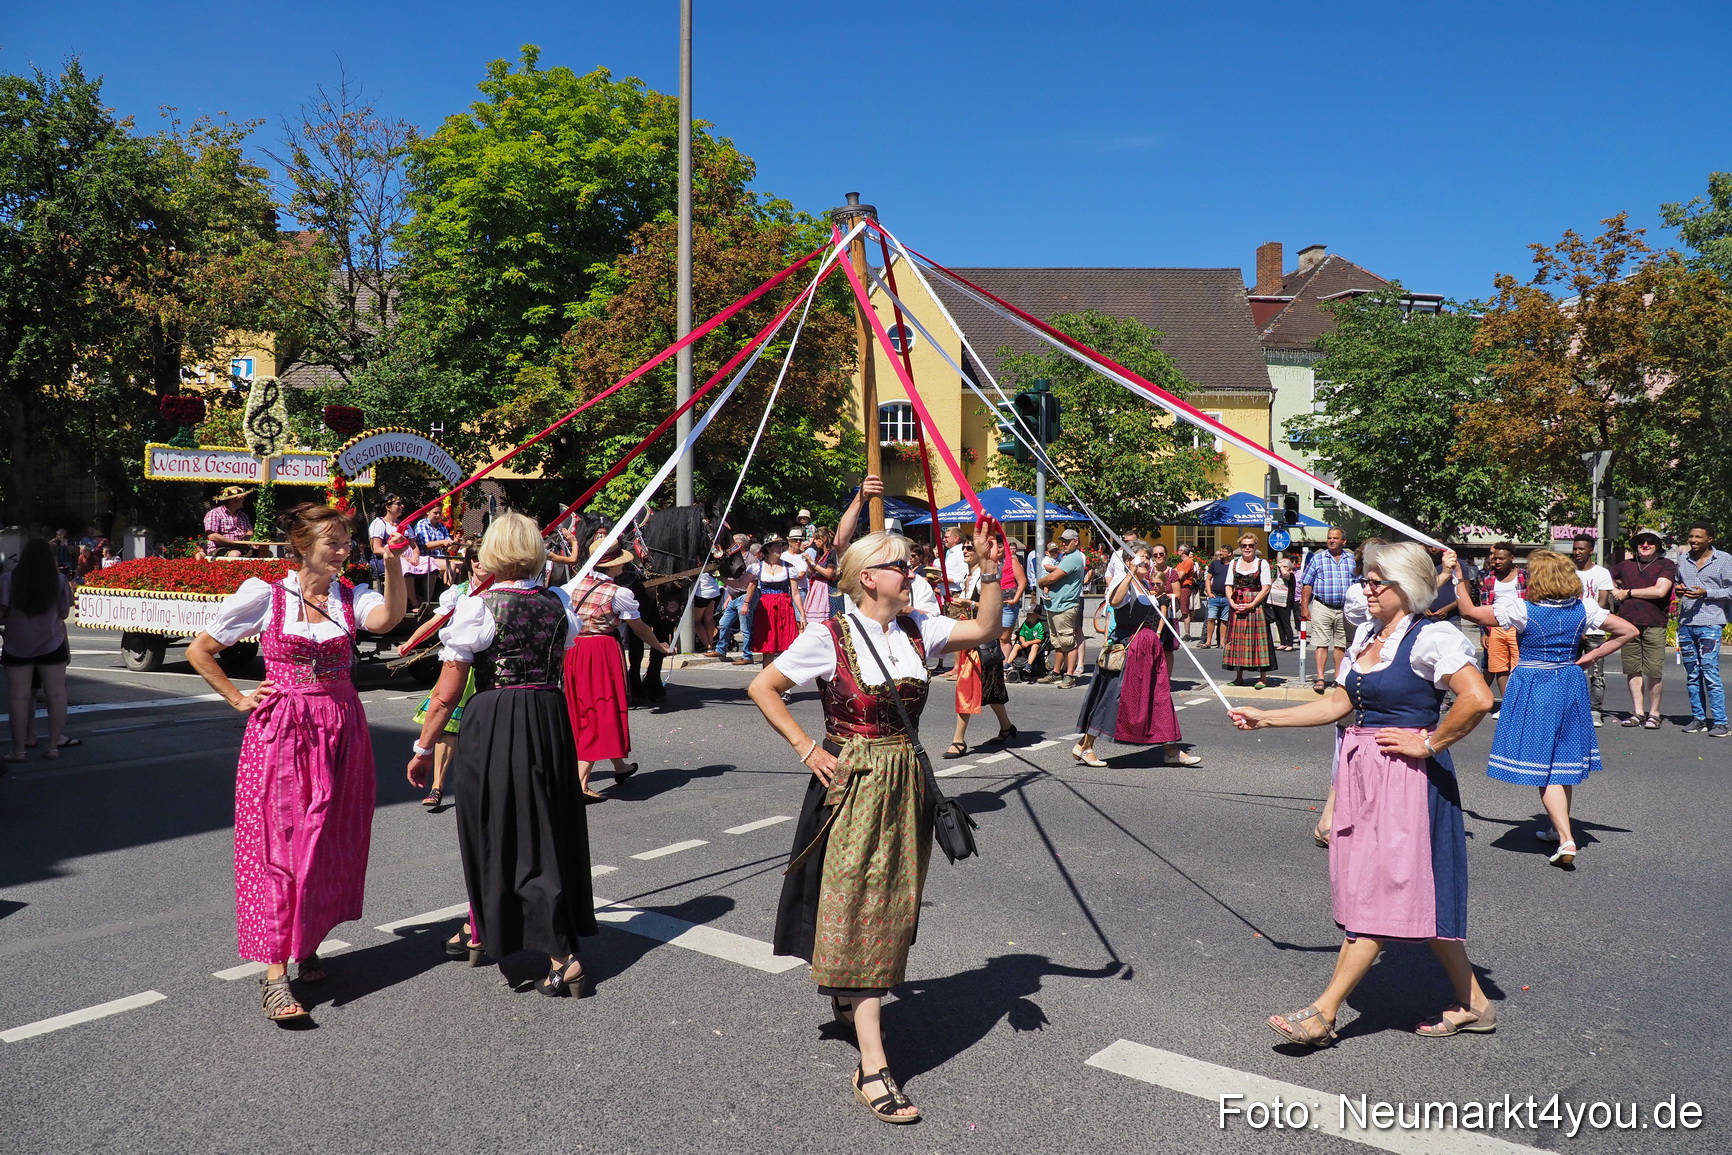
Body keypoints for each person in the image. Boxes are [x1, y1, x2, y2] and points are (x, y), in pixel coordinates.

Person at [748, 522, 1006, 1124]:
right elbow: (764, 686)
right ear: (869, 578)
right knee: (860, 909)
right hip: (856, 785)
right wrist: (807, 749)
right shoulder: (828, 635)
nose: (911, 571)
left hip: (907, 785)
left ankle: (848, 996)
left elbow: (988, 628)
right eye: (900, 564)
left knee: (894, 906)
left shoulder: (920, 628)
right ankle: (873, 1064)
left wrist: (990, 570)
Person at [1231, 542, 1496, 1046]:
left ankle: (1322, 1014)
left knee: (1379, 893)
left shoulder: (1431, 636)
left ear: (1407, 587)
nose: (1367, 589)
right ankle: (1476, 1004)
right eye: (1367, 580)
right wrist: (1266, 716)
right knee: (1422, 895)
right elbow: (1337, 703)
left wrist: (1429, 742)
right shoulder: (1369, 636)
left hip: (1408, 782)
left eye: (1378, 582)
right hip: (1364, 774)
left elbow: (1478, 698)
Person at [187, 503, 408, 1023]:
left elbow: (388, 619)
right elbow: (201, 651)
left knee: (329, 839)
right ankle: (274, 975)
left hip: (342, 725)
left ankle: (307, 944)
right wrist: (238, 698)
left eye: (346, 542)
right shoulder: (266, 594)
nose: (342, 550)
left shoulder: (352, 596)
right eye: (332, 542)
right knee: (281, 844)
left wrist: (394, 563)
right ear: (302, 547)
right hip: (283, 731)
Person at [409, 512, 596, 998]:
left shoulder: (479, 606)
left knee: (497, 826)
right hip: (549, 718)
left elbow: (446, 694)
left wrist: (423, 746)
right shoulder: (558, 603)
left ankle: (560, 954)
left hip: (496, 719)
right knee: (543, 824)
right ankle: (480, 927)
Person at [1447, 549, 1635, 867]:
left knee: (1544, 766)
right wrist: (1593, 655)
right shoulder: (1584, 607)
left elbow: (1469, 611)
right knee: (1560, 761)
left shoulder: (1522, 609)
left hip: (1534, 683)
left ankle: (1566, 839)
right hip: (1570, 681)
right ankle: (1556, 828)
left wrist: (1457, 576)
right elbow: (1629, 630)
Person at [1073, 544, 1198, 768]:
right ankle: (1085, 746)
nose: (1147, 561)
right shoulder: (1126, 585)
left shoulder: (1147, 586)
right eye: (1142, 557)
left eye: (1148, 558)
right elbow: (1113, 602)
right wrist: (1129, 574)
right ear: (1129, 562)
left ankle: (1171, 749)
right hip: (1127, 648)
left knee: (1159, 697)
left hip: (1150, 650)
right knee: (1112, 698)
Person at [564, 538, 672, 798]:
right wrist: (661, 647)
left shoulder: (572, 586)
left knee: (583, 707)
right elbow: (640, 628)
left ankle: (620, 766)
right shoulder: (618, 593)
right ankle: (580, 783)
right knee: (599, 707)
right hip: (601, 651)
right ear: (612, 566)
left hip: (574, 649)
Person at [412, 546, 482, 809]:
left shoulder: (501, 590)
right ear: (468, 562)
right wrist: (410, 642)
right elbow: (436, 621)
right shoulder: (458, 592)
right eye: (475, 558)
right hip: (460, 663)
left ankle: (482, 786)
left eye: (486, 558)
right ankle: (437, 786)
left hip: (490, 667)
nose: (480, 563)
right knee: (446, 728)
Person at [2, 539, 76, 763]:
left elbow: (1, 614)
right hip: (51, 643)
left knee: (18, 697)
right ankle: (53, 746)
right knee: (56, 694)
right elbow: (64, 614)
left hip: (17, 645)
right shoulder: (59, 581)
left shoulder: (8, 580)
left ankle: (18, 750)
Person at [943, 548, 1015, 757]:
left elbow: (995, 606)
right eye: (963, 547)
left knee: (966, 685)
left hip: (981, 640)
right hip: (968, 637)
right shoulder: (968, 576)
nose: (965, 550)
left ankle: (958, 740)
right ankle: (1007, 727)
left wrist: (970, 603)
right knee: (992, 689)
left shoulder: (986, 577)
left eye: (969, 548)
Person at [1610, 529, 1677, 729]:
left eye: (1651, 542)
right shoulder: (1625, 565)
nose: (1645, 545)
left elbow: (1660, 591)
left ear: (1658, 546)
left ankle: (1654, 713)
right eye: (1641, 542)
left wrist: (1627, 592)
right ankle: (1638, 712)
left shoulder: (1666, 564)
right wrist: (1614, 590)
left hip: (1654, 623)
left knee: (1654, 671)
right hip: (1628, 623)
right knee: (1632, 670)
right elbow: (1603, 577)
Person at [1674, 522, 1732, 737]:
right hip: (1687, 623)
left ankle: (1720, 723)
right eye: (1691, 536)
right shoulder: (1683, 560)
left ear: (1710, 539)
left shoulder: (1724, 560)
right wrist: (1679, 590)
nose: (1694, 540)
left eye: (1699, 537)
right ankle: (1699, 719)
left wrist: (1706, 593)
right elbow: (1678, 584)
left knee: (1710, 672)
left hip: (1710, 622)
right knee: (1692, 674)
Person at [1299, 527, 1356, 691]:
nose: (1331, 540)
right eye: (1329, 538)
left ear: (1343, 541)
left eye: (1335, 538)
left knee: (1340, 644)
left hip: (1345, 608)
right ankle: (1320, 678)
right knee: (1321, 643)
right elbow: (1307, 584)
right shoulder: (1318, 559)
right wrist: (1304, 606)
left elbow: (1359, 583)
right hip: (1322, 606)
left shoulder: (1351, 560)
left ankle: (1338, 677)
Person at [1569, 534, 1614, 726]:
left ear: (1590, 551)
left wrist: (1589, 626)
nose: (1577, 552)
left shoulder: (1602, 573)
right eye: (1575, 548)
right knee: (1570, 671)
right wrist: (1577, 628)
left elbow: (1602, 603)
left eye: (1581, 549)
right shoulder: (1568, 572)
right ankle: (1572, 709)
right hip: (1571, 630)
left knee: (1596, 673)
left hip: (1595, 631)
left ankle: (1595, 710)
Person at [744, 533, 806, 667]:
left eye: (780, 546)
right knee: (767, 646)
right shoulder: (758, 567)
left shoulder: (788, 567)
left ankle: (783, 680)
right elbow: (744, 583)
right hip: (765, 608)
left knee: (786, 645)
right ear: (768, 549)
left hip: (784, 606)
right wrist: (722, 578)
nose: (779, 549)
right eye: (776, 546)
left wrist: (802, 614)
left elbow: (795, 593)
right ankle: (766, 680)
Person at [1223, 534, 1276, 688]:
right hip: (1237, 603)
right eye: (1244, 545)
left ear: (1255, 547)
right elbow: (1228, 585)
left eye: (1250, 545)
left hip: (1255, 606)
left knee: (1258, 640)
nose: (1247, 548)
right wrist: (1232, 602)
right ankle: (1239, 676)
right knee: (1238, 640)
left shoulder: (1262, 563)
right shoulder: (1234, 563)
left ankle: (1262, 678)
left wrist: (1252, 604)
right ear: (1240, 547)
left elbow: (1266, 588)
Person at [1037, 528, 1087, 688]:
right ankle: (1056, 672)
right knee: (1058, 642)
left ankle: (1070, 676)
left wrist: (1041, 582)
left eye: (1067, 541)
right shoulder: (1067, 556)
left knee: (1068, 642)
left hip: (1066, 605)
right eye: (1062, 541)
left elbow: (1052, 577)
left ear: (1076, 542)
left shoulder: (1073, 558)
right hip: (1056, 605)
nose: (1063, 544)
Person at [1478, 543, 1525, 709]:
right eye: (1494, 558)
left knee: (1518, 666)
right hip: (1495, 628)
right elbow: (1484, 606)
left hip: (1518, 627)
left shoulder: (1524, 576)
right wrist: (1484, 632)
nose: (1496, 561)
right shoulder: (1488, 579)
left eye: (1501, 558)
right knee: (1500, 667)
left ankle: (1520, 702)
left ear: (1511, 558)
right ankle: (1508, 704)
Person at [712, 534, 757, 665]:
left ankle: (747, 655)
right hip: (735, 596)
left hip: (745, 596)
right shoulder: (736, 558)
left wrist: (747, 603)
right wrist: (729, 597)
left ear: (739, 545)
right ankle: (721, 649)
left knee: (745, 628)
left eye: (733, 543)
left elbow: (752, 583)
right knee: (723, 622)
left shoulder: (751, 560)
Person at [204, 486, 263, 557]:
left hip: (242, 548)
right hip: (220, 548)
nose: (243, 500)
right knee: (235, 554)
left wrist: (246, 539)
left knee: (265, 552)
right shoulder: (215, 513)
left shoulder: (243, 516)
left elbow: (250, 531)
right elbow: (212, 535)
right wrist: (233, 543)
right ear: (232, 500)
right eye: (241, 498)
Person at [801, 525, 839, 625]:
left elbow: (828, 573)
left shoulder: (832, 552)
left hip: (827, 590)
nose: (814, 541)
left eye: (817, 539)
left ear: (824, 539)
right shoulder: (820, 553)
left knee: (826, 620)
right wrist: (808, 562)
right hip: (817, 589)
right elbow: (814, 572)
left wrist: (813, 563)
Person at [1202, 547, 1232, 649]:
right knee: (1211, 619)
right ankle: (1208, 641)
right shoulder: (1215, 564)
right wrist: (1209, 593)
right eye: (1221, 550)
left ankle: (1222, 642)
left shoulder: (1233, 566)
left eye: (1224, 551)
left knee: (1224, 620)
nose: (1221, 553)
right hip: (1215, 596)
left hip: (1227, 597)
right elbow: (1208, 579)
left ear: (1229, 553)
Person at [1006, 608, 1047, 682]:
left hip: (1034, 643)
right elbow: (1021, 635)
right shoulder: (1025, 624)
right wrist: (1023, 642)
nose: (1028, 616)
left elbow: (1039, 639)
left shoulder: (1039, 625)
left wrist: (1028, 643)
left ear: (1037, 616)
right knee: (1016, 646)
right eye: (1027, 614)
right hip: (1025, 643)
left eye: (1030, 614)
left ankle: (1028, 665)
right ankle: (1008, 663)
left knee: (1035, 646)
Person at [1172, 543, 1200, 641]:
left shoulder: (1188, 562)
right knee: (1174, 609)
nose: (1177, 552)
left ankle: (1187, 634)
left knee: (1184, 610)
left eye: (1179, 550)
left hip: (1184, 588)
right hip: (1178, 587)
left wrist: (1173, 574)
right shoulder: (1181, 563)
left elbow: (1179, 576)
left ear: (1183, 551)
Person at [1268, 555, 1297, 650]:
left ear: (1288, 567)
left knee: (1285, 622)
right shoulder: (1278, 576)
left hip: (1285, 602)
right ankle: (1283, 642)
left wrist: (1281, 566)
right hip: (1276, 601)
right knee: (1278, 622)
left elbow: (1286, 575)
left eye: (1284, 566)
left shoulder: (1290, 575)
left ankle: (1290, 643)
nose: (1281, 568)